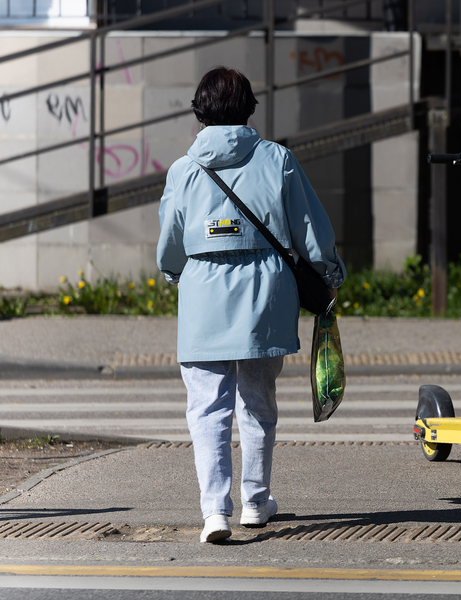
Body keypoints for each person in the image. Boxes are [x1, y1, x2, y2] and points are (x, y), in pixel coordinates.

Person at [157, 66, 345, 543]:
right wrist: (329, 274)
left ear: (200, 110)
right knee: (257, 403)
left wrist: (176, 274)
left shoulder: (183, 169)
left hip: (203, 296)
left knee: (206, 408)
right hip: (266, 294)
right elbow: (310, 228)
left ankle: (214, 512)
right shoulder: (276, 158)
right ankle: (256, 503)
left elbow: (170, 244)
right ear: (248, 109)